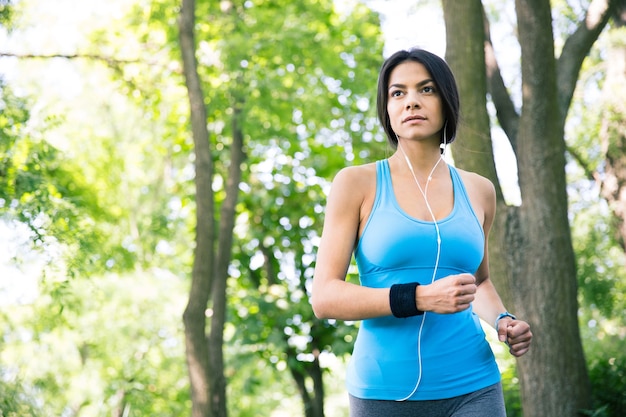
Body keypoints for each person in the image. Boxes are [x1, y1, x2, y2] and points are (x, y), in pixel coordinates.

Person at [311, 48, 532, 416]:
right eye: (398, 93)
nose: (411, 101)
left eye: (426, 89)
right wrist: (418, 298)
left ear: (446, 101)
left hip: (474, 386)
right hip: (385, 392)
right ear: (388, 109)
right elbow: (325, 297)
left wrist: (503, 320)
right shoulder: (356, 183)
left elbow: (477, 283)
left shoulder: (480, 190)